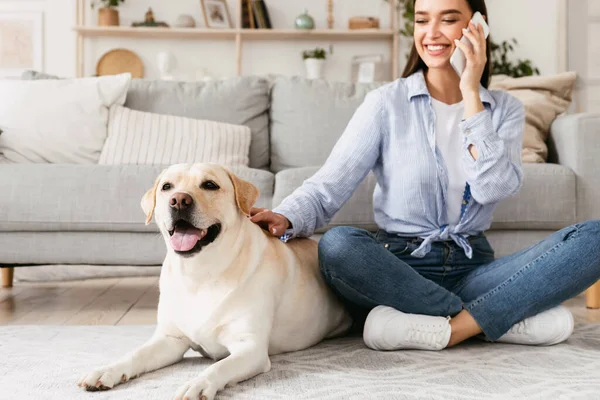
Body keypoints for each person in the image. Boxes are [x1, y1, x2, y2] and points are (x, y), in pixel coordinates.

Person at [249, 0, 600, 351]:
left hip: (474, 269)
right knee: (339, 245)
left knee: (595, 238)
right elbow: (330, 184)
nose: (431, 32)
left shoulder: (505, 110)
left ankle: (445, 326)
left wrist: (470, 93)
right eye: (421, 20)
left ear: (477, 27)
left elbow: (492, 187)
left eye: (448, 19)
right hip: (400, 268)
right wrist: (285, 216)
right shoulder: (385, 103)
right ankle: (488, 318)